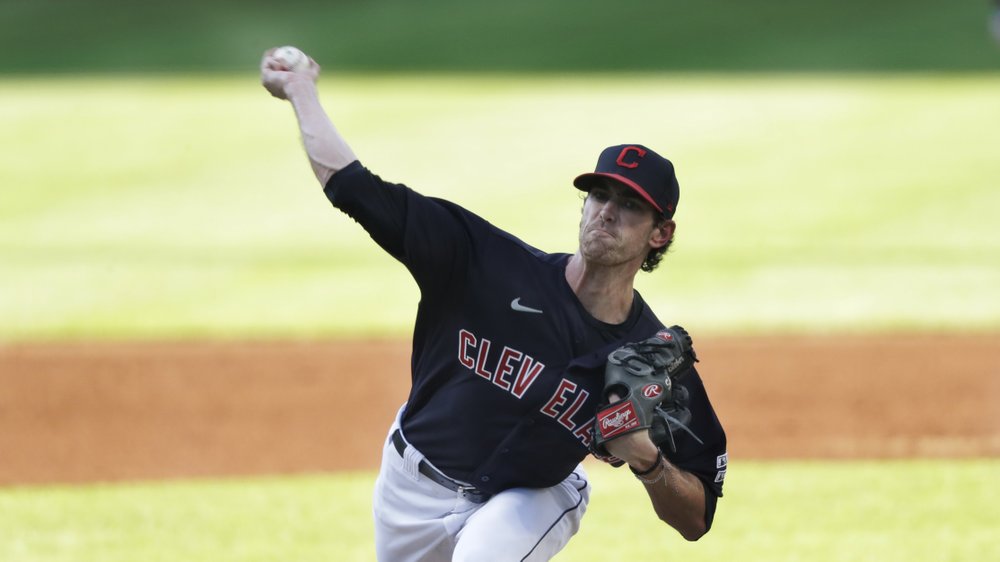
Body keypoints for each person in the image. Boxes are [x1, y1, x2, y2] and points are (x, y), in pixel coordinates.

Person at [260, 47, 727, 561]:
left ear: (661, 233)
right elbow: (355, 190)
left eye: (631, 206)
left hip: (532, 498)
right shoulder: (482, 261)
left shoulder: (651, 357)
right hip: (407, 489)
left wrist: (645, 458)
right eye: (600, 196)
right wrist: (301, 91)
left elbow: (697, 516)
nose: (607, 213)